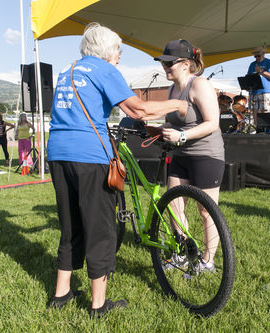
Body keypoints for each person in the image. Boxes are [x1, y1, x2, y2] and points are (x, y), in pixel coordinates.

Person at [47, 23, 187, 318]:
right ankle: (98, 305)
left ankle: (61, 295)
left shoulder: (68, 70)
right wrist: (180, 103)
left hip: (58, 154)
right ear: (106, 50)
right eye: (118, 49)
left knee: (71, 224)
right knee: (100, 229)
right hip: (89, 156)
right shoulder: (104, 69)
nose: (119, 55)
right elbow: (138, 110)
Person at [154, 39, 224, 272]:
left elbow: (212, 123)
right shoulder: (172, 89)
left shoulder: (199, 85)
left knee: (206, 211)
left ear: (185, 64)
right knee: (174, 205)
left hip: (207, 155)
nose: (165, 68)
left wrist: (181, 137)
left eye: (169, 63)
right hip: (181, 154)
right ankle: (182, 252)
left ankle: (207, 261)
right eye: (163, 63)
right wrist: (158, 129)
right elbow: (173, 120)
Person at [247, 46, 270, 124]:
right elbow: (248, 76)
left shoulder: (269, 62)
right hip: (254, 91)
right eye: (255, 56)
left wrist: (260, 71)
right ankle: (256, 128)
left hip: (265, 91)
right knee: (254, 110)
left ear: (263, 53)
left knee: (265, 109)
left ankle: (264, 127)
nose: (256, 57)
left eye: (258, 55)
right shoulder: (252, 64)